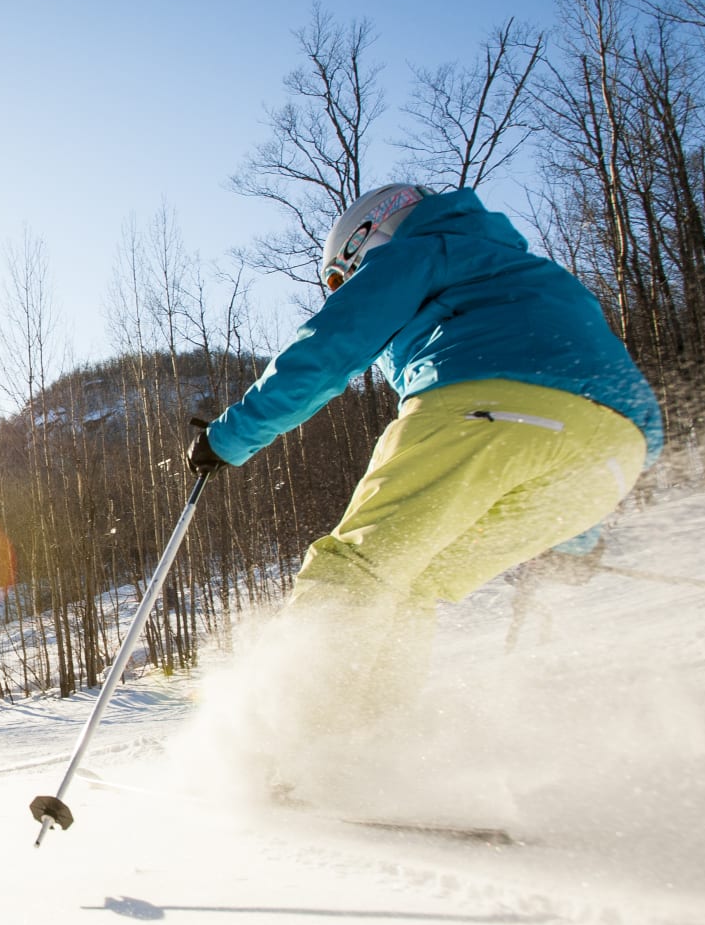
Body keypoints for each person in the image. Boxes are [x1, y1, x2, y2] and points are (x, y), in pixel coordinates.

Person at [184, 184, 663, 796]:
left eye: (342, 277)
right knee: (412, 581)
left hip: (484, 406)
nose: (345, 286)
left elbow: (330, 350)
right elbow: (598, 399)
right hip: (613, 456)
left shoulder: (421, 251)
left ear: (369, 239)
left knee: (357, 568)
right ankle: (367, 756)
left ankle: (282, 752)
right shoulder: (540, 274)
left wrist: (229, 438)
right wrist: (577, 537)